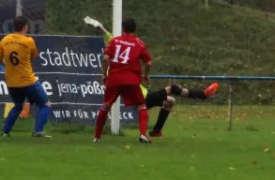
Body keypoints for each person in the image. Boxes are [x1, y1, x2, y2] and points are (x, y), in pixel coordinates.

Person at [85, 16, 220, 137]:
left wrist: (98, 26)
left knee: (170, 102)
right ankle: (202, 94)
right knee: (171, 89)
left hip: (133, 89)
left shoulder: (115, 44)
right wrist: (145, 75)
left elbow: (107, 36)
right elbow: (147, 62)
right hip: (141, 95)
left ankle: (156, 131)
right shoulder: (122, 47)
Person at [94, 18, 153, 143]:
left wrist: (104, 74)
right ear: (135, 30)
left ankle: (97, 137)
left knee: (106, 106)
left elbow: (105, 59)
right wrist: (146, 76)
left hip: (114, 78)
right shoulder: (139, 43)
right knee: (141, 105)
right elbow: (148, 62)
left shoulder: (114, 41)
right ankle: (143, 134)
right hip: (131, 80)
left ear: (123, 29)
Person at [0, 16, 51, 138]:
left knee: (18, 106)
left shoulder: (4, 40)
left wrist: (8, 64)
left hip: (12, 82)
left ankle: (5, 132)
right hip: (28, 81)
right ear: (25, 27)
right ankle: (38, 131)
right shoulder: (28, 41)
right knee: (45, 104)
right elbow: (34, 55)